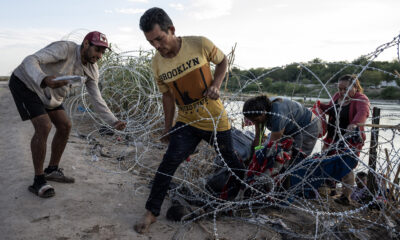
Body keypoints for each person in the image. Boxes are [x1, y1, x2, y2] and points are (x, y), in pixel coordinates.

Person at [134, 7, 245, 233]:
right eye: (151, 42)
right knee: (167, 164)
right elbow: (167, 95)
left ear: (171, 30)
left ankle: (231, 202)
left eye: (159, 39)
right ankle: (151, 212)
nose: (157, 46)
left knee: (233, 165)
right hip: (186, 123)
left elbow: (223, 61)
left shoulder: (199, 44)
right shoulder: (157, 63)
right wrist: (168, 127)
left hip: (215, 121)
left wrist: (216, 84)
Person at [8, 31, 126, 198]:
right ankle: (38, 180)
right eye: (97, 50)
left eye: (102, 52)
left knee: (65, 126)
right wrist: (44, 79)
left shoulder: (92, 69)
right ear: (86, 44)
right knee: (44, 125)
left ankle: (52, 170)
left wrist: (113, 121)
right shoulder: (65, 49)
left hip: (51, 93)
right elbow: (30, 60)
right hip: (26, 83)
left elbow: (96, 98)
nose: (99, 55)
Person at [319, 74, 370, 205]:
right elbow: (331, 109)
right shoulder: (337, 96)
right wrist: (319, 106)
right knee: (326, 162)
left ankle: (345, 197)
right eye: (339, 88)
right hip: (332, 137)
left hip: (349, 139)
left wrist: (354, 124)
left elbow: (362, 113)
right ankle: (331, 190)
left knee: (345, 166)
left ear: (355, 87)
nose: (341, 92)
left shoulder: (361, 99)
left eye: (345, 89)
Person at [243, 95, 322, 160]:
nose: (253, 122)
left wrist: (260, 160)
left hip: (308, 126)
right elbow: (258, 137)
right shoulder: (258, 112)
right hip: (290, 127)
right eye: (251, 120)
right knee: (282, 154)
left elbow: (272, 145)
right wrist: (253, 155)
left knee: (296, 159)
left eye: (255, 120)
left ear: (264, 112)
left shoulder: (277, 115)